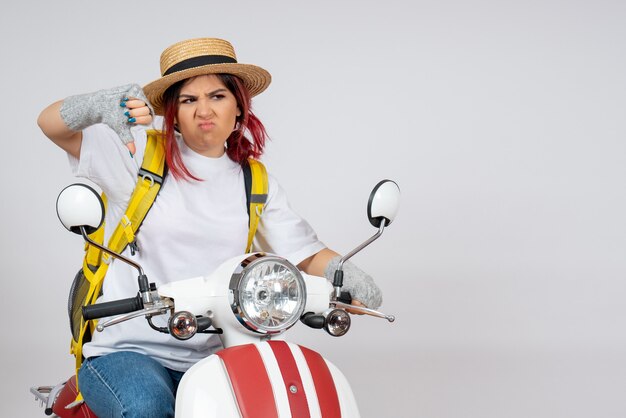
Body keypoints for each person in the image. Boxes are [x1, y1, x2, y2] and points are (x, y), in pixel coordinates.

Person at [38, 37, 382, 417]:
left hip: (213, 351)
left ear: (238, 106)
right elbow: (51, 125)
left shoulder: (254, 181)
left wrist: (347, 274)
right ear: (173, 113)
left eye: (217, 96)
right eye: (189, 100)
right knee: (148, 408)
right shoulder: (137, 157)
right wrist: (96, 105)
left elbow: (305, 252)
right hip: (128, 349)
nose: (204, 110)